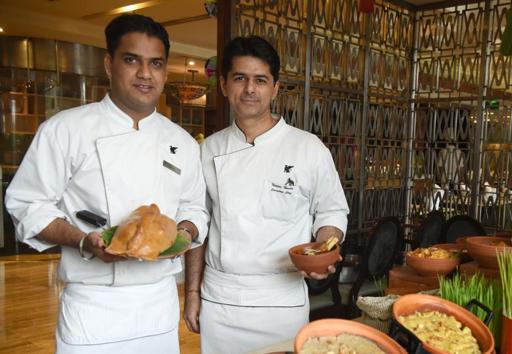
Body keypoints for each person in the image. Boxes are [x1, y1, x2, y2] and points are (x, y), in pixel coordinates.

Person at [4, 14, 209, 354]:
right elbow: (28, 205)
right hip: (92, 309)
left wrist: (184, 233)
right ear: (109, 65)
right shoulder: (66, 129)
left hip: (158, 308)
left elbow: (194, 207)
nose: (145, 73)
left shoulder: (182, 142)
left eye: (156, 63)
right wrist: (84, 241)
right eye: (132, 60)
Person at [184, 36, 349, 354]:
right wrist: (192, 292)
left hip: (281, 300)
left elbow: (330, 211)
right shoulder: (208, 150)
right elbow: (198, 226)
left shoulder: (307, 147)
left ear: (274, 88)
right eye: (240, 78)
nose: (250, 89)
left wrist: (324, 247)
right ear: (223, 85)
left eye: (260, 80)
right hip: (220, 299)